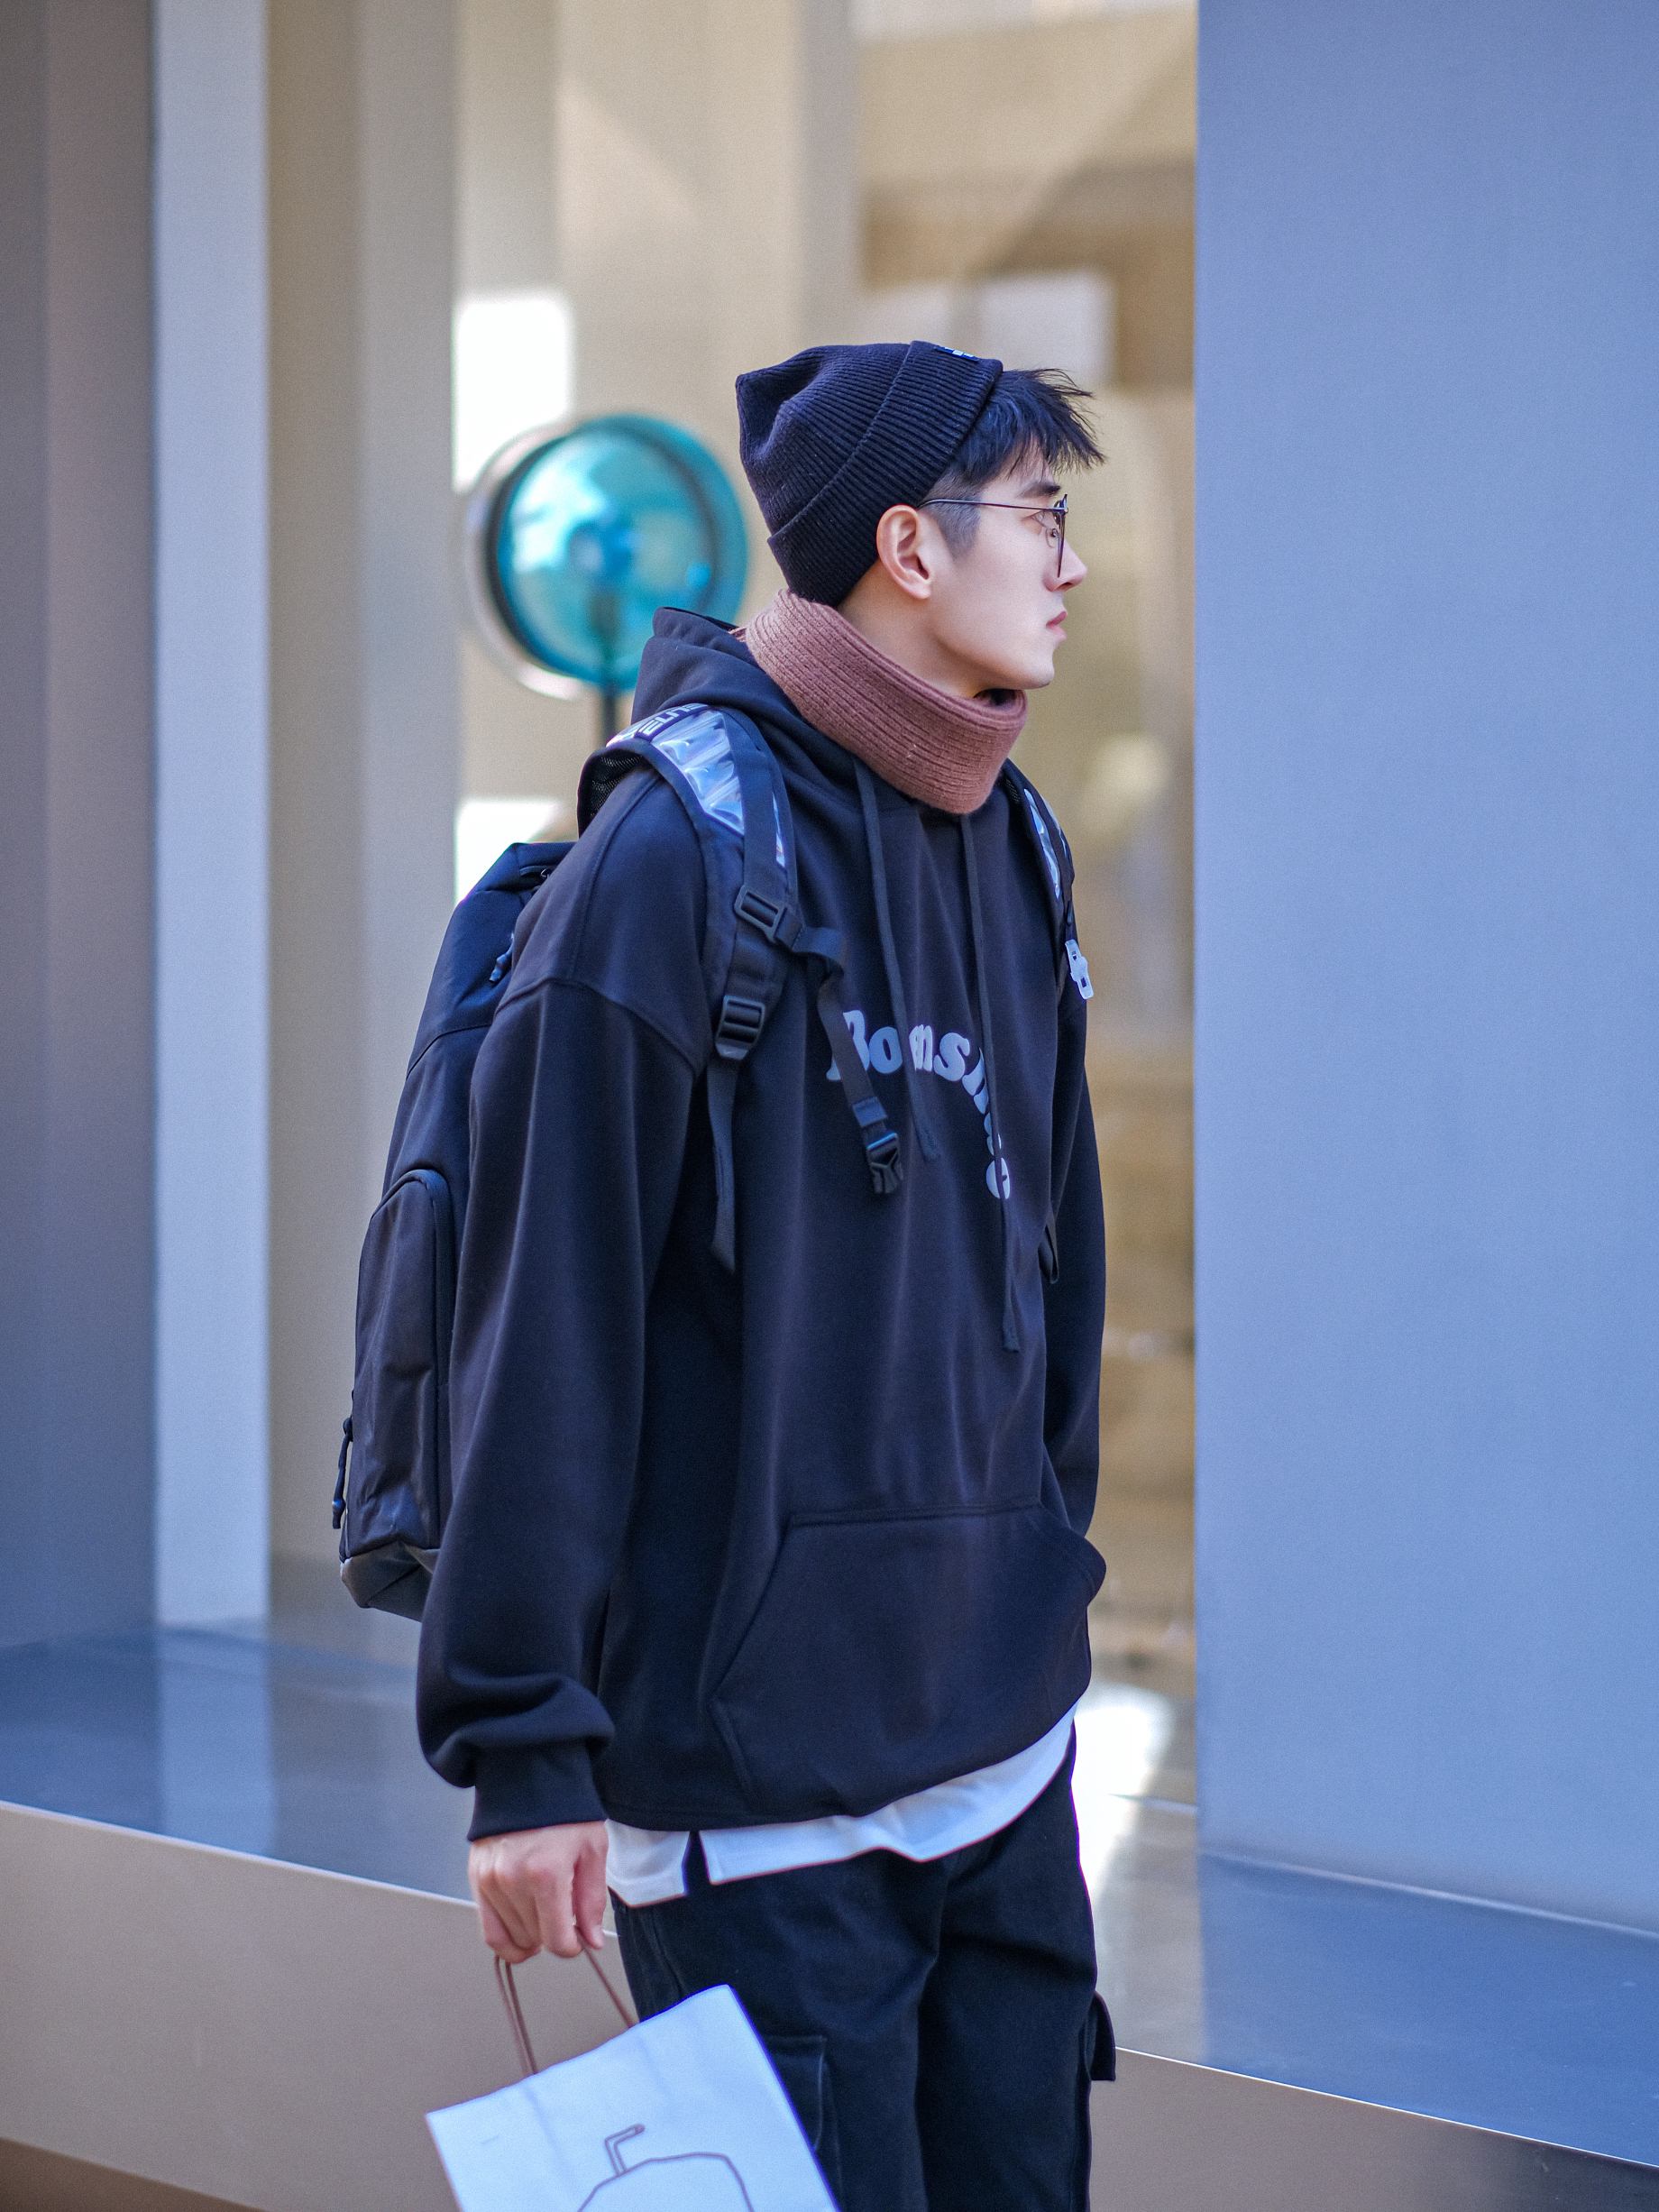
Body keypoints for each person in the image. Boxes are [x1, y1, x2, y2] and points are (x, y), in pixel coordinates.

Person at [417, 340, 1111, 2212]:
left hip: (1002, 1763)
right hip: (757, 1824)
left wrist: (1039, 1571)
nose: (1067, 563)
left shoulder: (1015, 843)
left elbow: (1050, 1271)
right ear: (908, 544)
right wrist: (524, 1749)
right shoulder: (674, 855)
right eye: (1038, 515)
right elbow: (542, 1320)